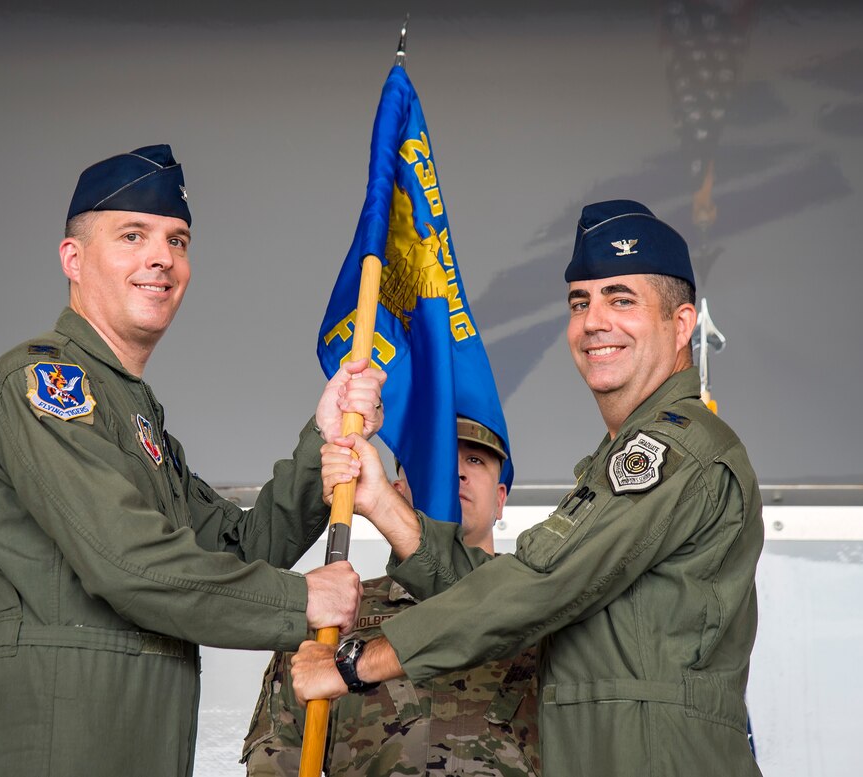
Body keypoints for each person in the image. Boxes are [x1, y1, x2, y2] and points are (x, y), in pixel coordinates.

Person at [0, 144, 384, 777]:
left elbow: (242, 548)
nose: (162, 258)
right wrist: (300, 601)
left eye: (177, 242)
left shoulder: (131, 412)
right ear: (73, 258)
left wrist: (322, 436)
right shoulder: (43, 385)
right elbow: (128, 561)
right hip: (56, 748)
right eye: (132, 235)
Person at [292, 200, 764, 776]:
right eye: (580, 302)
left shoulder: (673, 449)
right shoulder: (622, 456)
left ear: (681, 324)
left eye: (622, 299)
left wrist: (353, 664)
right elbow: (513, 597)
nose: (594, 321)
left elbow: (538, 586)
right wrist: (383, 504)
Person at [242, 417, 539, 776]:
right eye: (436, 459)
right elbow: (277, 758)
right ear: (397, 490)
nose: (457, 472)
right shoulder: (335, 614)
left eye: (475, 460)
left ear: (500, 499)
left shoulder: (547, 613)